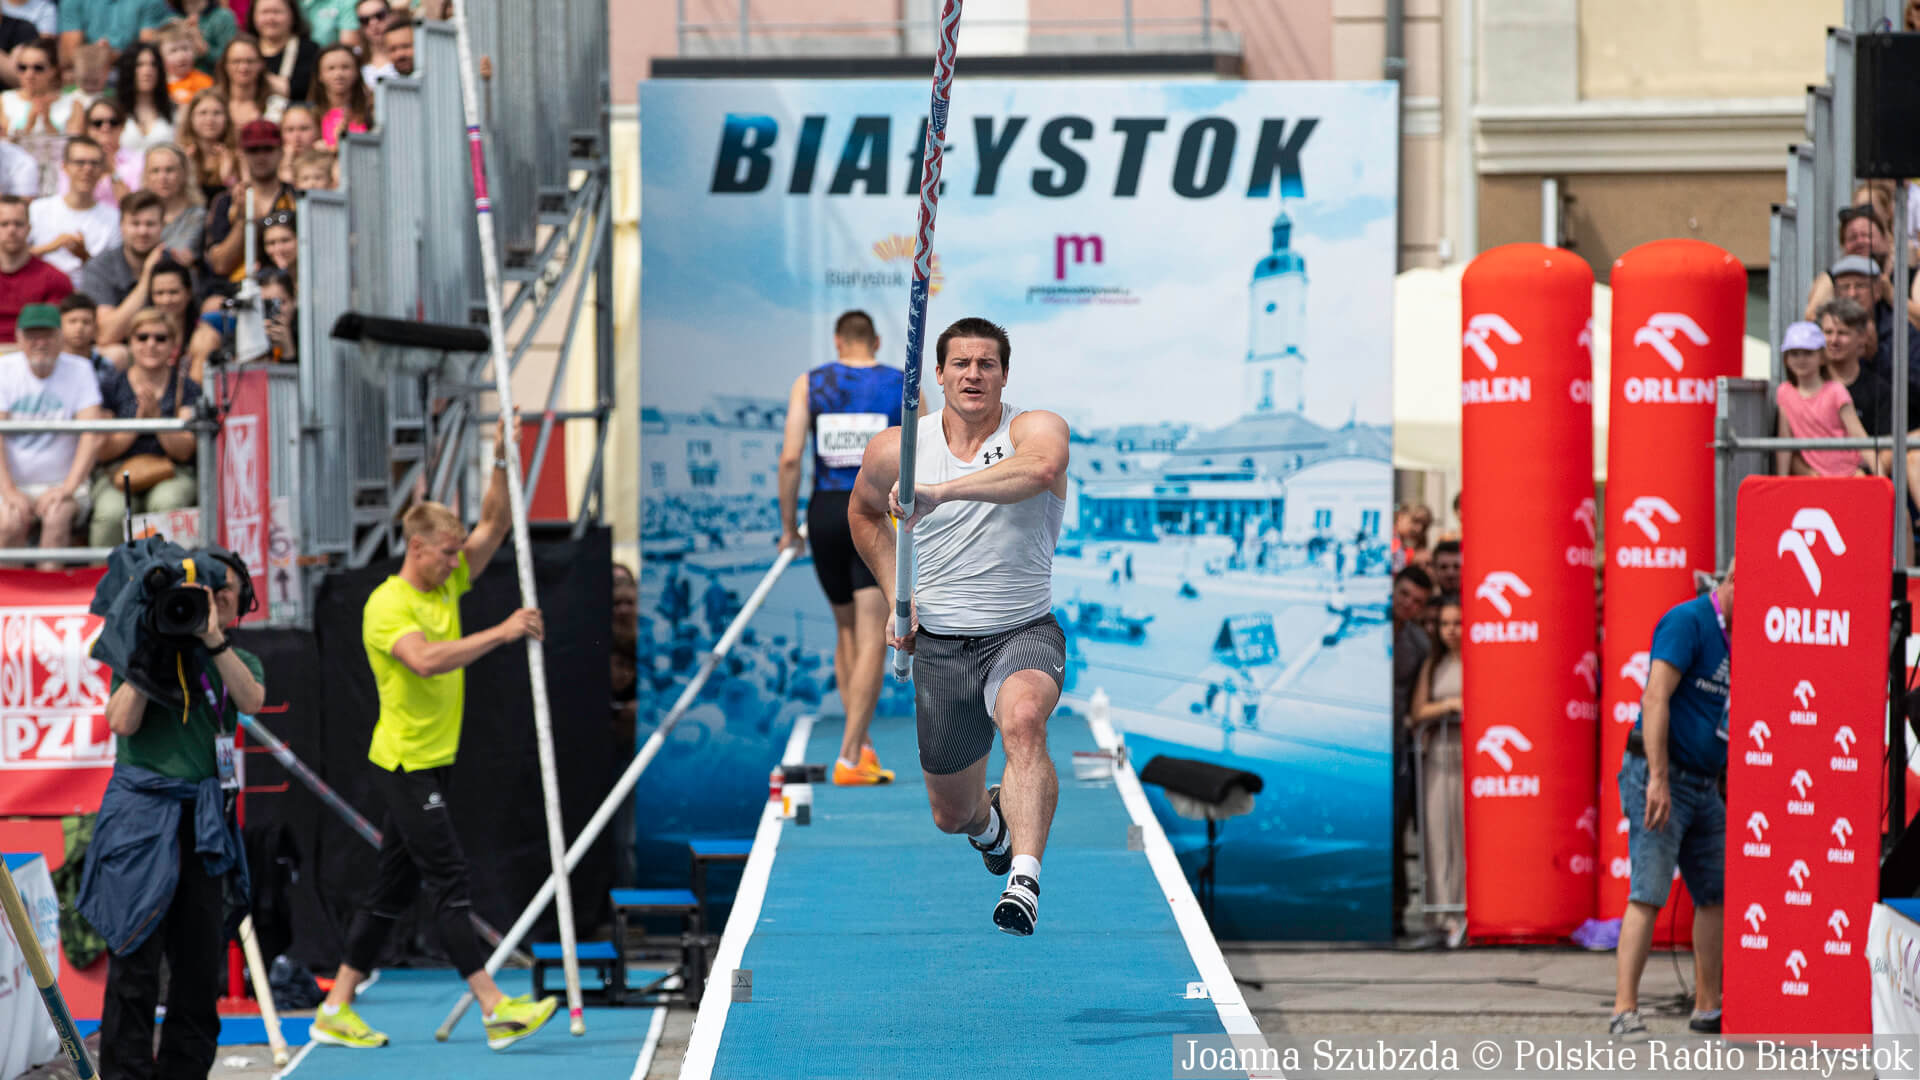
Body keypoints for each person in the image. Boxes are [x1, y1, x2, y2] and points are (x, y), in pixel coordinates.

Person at [310, 414, 559, 1052]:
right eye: (447, 553)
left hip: (434, 759)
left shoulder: (448, 580)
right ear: (417, 549)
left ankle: (335, 1007)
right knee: (449, 880)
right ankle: (494, 1005)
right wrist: (502, 632)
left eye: (456, 553)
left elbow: (495, 525)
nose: (457, 561)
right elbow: (424, 660)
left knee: (390, 888)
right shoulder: (388, 604)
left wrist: (502, 458)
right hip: (405, 765)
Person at [847, 316, 1070, 935]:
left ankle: (1023, 879)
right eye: (961, 364)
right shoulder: (895, 450)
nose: (974, 374)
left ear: (1004, 375)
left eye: (987, 364)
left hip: (1022, 630)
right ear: (939, 374)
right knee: (953, 814)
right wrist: (900, 593)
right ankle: (992, 828)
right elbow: (863, 514)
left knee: (1025, 720)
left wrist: (941, 492)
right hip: (941, 643)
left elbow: (1042, 469)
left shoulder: (1035, 429)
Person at [78, 549, 264, 1080]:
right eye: (210, 587)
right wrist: (150, 658)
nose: (219, 596)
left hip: (202, 827)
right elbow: (122, 722)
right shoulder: (139, 649)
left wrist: (210, 639)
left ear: (238, 602)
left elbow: (251, 699)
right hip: (141, 820)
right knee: (134, 962)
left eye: (225, 590)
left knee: (199, 967)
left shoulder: (236, 660)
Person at [775, 309, 901, 786]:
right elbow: (928, 452)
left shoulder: (810, 383)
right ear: (877, 340)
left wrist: (789, 527)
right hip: (872, 511)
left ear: (836, 341)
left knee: (846, 631)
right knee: (871, 634)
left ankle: (860, 746)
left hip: (824, 511)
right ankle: (849, 755)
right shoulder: (900, 384)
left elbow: (790, 459)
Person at [1611, 563, 1732, 1040]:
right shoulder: (1688, 621)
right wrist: (1657, 779)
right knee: (1648, 891)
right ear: (1735, 578)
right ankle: (1624, 1010)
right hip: (1662, 774)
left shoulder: (1745, 632)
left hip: (1704, 782)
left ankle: (1708, 1007)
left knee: (1716, 893)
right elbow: (1656, 698)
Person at [88, 307, 199, 558]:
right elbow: (104, 451)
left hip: (172, 470)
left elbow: (184, 451)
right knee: (110, 514)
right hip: (117, 471)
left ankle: (167, 585)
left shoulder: (187, 387)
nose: (151, 344)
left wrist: (156, 418)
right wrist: (139, 420)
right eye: (142, 337)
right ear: (130, 342)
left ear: (173, 344)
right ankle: (100, 583)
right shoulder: (111, 385)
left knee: (167, 503)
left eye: (160, 338)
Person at [0, 302, 105, 564]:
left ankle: (47, 597)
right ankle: (9, 599)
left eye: (46, 334)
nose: (40, 342)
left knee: (57, 518)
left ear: (60, 337)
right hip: (8, 484)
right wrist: (10, 491)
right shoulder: (4, 369)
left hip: (65, 483)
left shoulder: (80, 369)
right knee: (8, 523)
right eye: (32, 335)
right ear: (19, 338)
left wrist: (67, 488)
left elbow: (91, 434)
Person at [1408, 594, 1464, 949]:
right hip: (1438, 757)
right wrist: (1447, 706)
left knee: (1462, 836)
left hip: (1470, 757)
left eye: (1457, 623)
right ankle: (1440, 916)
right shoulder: (1434, 662)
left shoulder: (1480, 660)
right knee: (1437, 835)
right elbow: (1418, 711)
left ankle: (1463, 915)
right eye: (1444, 624)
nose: (1450, 631)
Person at [1389, 563, 1433, 940]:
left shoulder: (1419, 644)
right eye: (1403, 595)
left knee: (1397, 829)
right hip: (1362, 742)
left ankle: (1396, 913)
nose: (1407, 604)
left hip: (1398, 749)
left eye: (1416, 601)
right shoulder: (1368, 629)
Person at [1773, 320, 1872, 477]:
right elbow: (1785, 440)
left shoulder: (1836, 390)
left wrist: (1880, 477)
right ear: (1786, 359)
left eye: (1808, 353)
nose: (1801, 359)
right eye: (1794, 353)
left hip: (1850, 473)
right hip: (1815, 477)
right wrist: (1781, 482)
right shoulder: (1784, 392)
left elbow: (1859, 435)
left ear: (1822, 357)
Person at [29, 136, 121, 286]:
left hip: (89, 295)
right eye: (80, 162)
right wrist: (53, 246)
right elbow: (12, 257)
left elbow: (115, 274)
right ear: (64, 166)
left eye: (94, 163)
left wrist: (84, 256)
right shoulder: (37, 209)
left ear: (102, 169)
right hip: (41, 291)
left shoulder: (114, 218)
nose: (87, 169)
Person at [0, 194, 75, 341]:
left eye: (18, 224)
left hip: (32, 354)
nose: (11, 230)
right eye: (4, 224)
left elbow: (54, 331)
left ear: (29, 229)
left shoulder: (55, 279)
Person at [308, 41, 369, 146]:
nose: (338, 74)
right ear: (320, 75)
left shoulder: (371, 110)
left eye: (345, 67)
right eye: (331, 68)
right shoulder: (310, 114)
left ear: (357, 72)